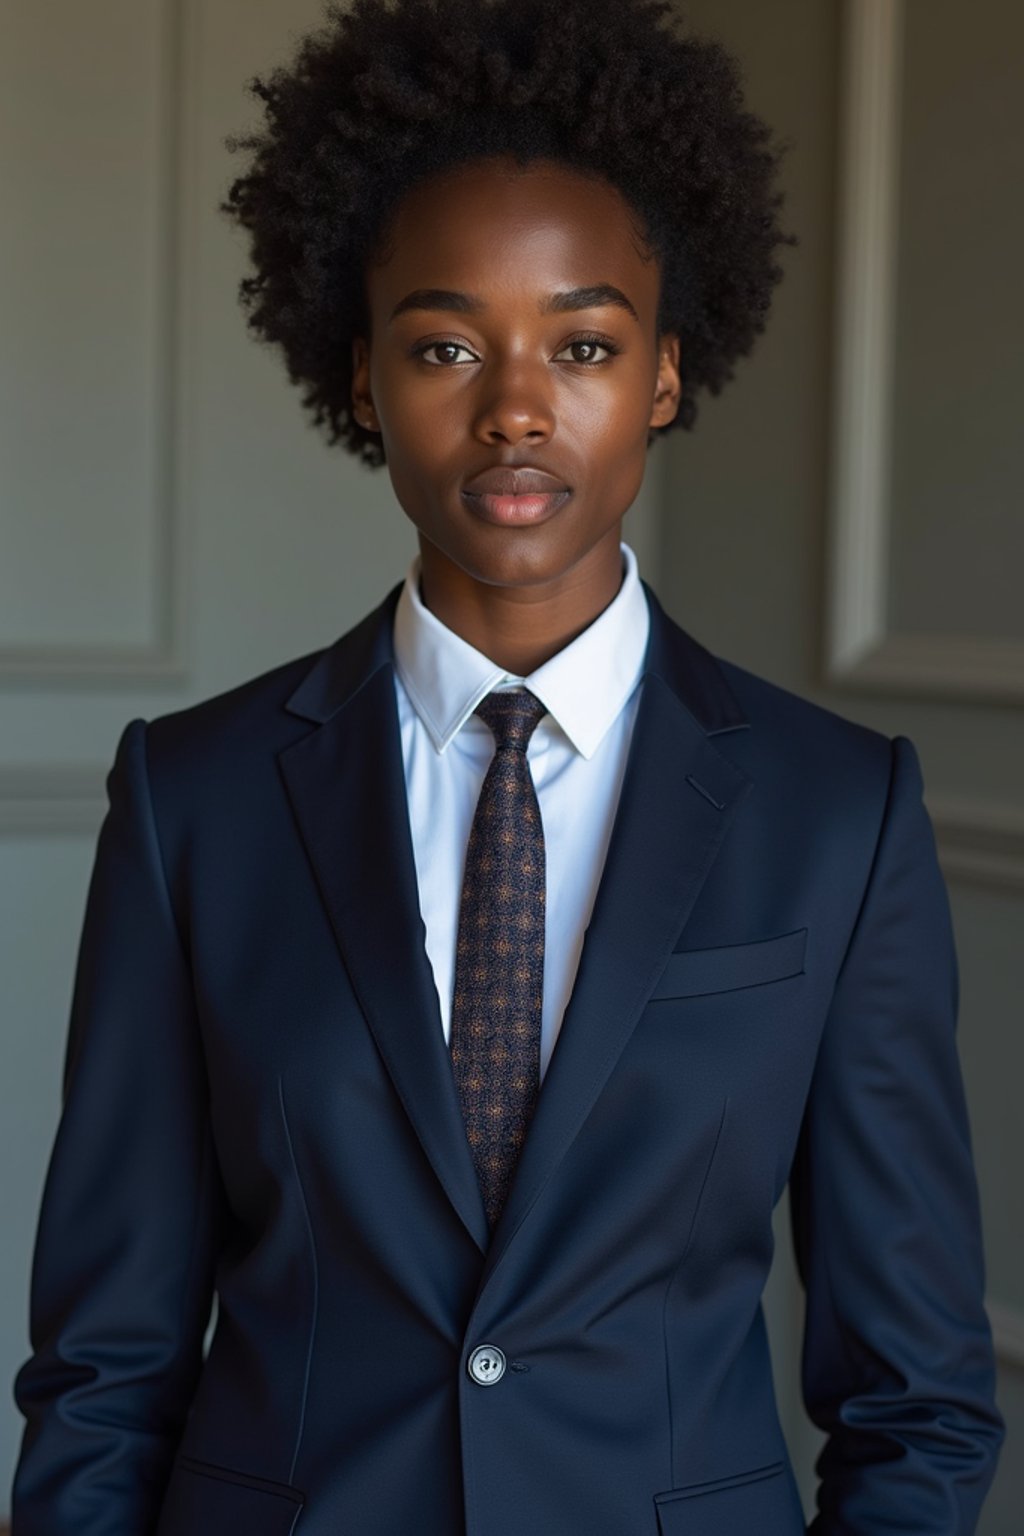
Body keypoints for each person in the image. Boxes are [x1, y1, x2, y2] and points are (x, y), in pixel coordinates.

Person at [10, 1, 1004, 1532]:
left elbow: (916, 1401)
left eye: (585, 343)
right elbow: (105, 1370)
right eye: (446, 343)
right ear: (361, 380)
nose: (518, 407)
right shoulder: (189, 803)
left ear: (667, 375)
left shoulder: (837, 815)